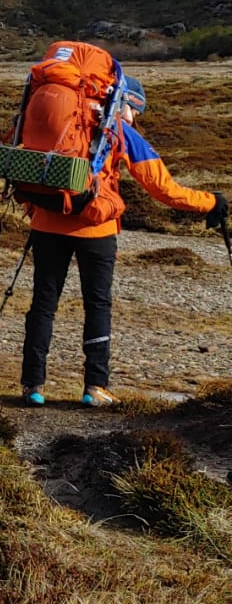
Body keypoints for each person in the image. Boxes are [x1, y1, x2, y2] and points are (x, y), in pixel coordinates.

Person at [20, 75, 226, 408]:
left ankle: (32, 386)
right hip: (97, 230)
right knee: (97, 305)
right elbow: (164, 188)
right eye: (135, 111)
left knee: (43, 304)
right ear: (126, 103)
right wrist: (210, 203)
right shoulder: (120, 131)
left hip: (46, 224)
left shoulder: (63, 120)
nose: (134, 119)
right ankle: (95, 388)